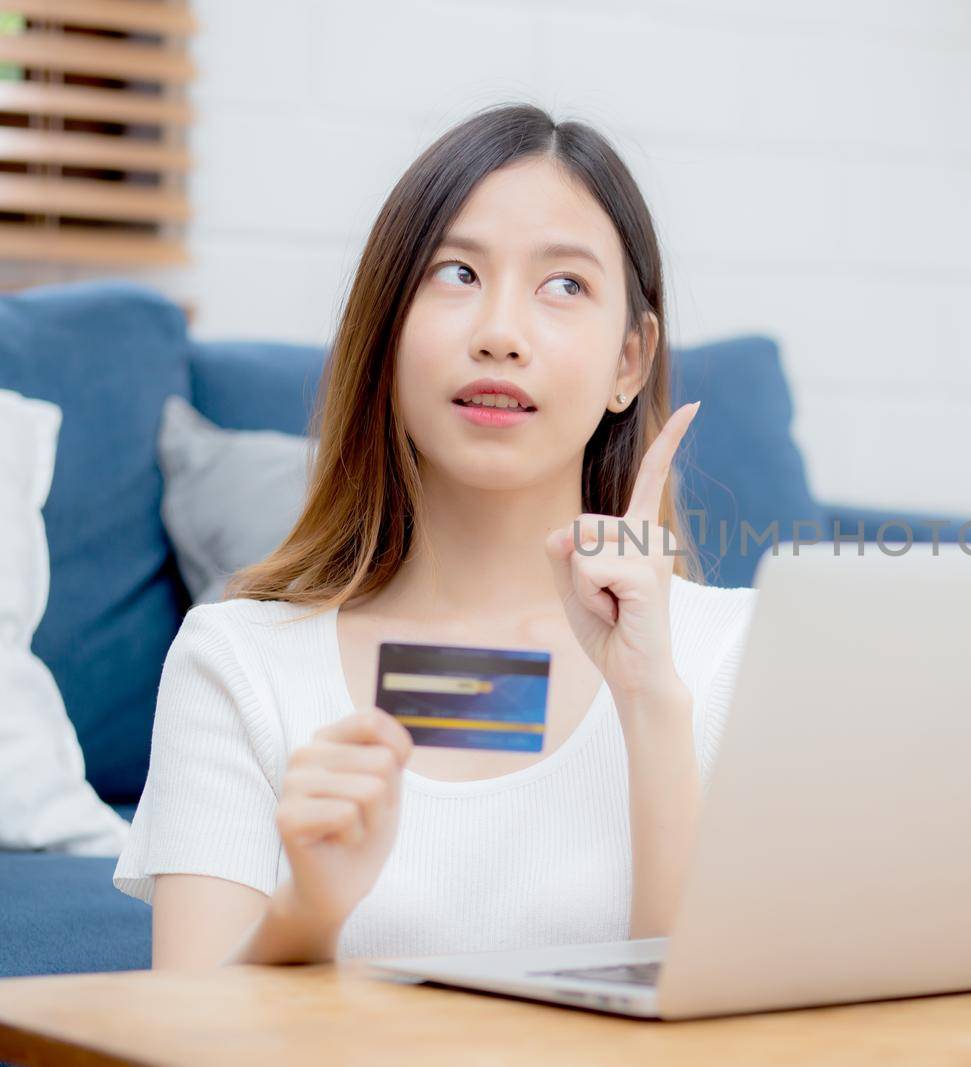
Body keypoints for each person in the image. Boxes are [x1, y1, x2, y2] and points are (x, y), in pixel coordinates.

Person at [111, 104, 759, 968]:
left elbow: (728, 1037)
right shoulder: (238, 662)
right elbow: (180, 1047)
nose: (500, 333)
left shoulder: (740, 656)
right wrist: (309, 913)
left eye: (564, 285)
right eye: (455, 272)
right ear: (387, 328)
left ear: (628, 363)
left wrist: (651, 706)